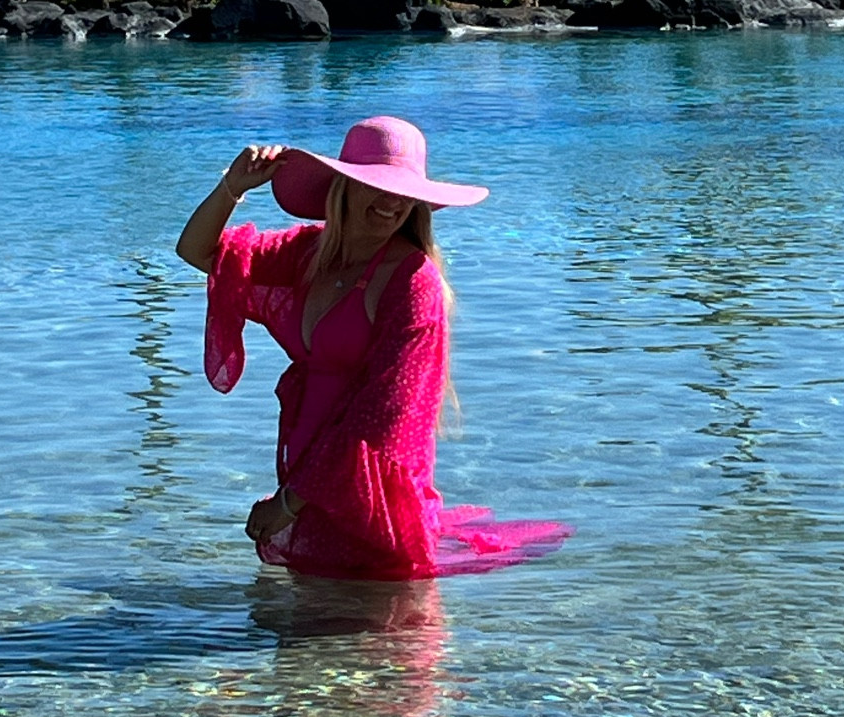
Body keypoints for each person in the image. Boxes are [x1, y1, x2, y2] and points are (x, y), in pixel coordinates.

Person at [176, 116, 571, 582]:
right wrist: (232, 188)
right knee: (305, 639)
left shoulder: (414, 282)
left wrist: (287, 503)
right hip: (308, 471)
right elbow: (198, 252)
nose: (391, 203)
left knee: (391, 632)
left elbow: (385, 415)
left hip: (374, 489)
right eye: (375, 185)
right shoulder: (306, 253)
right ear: (342, 186)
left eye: (403, 191)